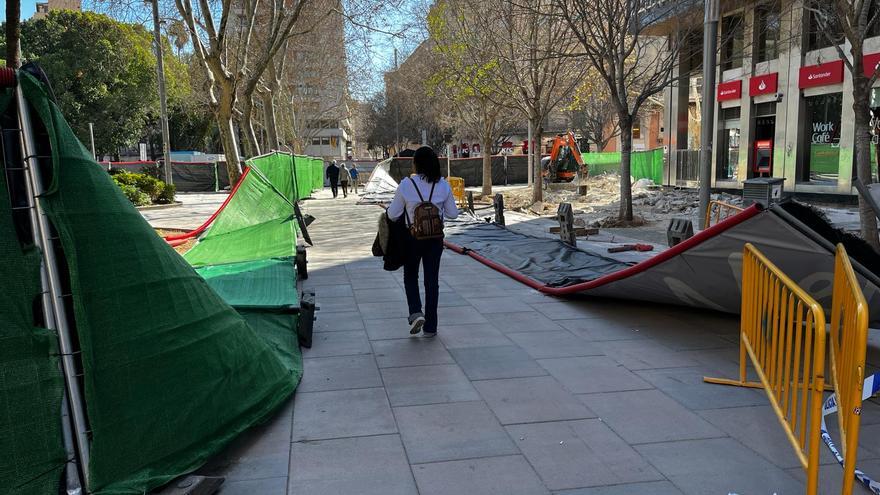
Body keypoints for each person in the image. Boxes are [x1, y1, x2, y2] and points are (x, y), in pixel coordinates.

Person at [387, 146, 459, 337]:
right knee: (432, 281)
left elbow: (393, 214)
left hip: (412, 239)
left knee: (410, 275)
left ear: (416, 164)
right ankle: (431, 326)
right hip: (435, 240)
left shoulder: (406, 185)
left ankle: (416, 312)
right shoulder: (443, 185)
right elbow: (453, 214)